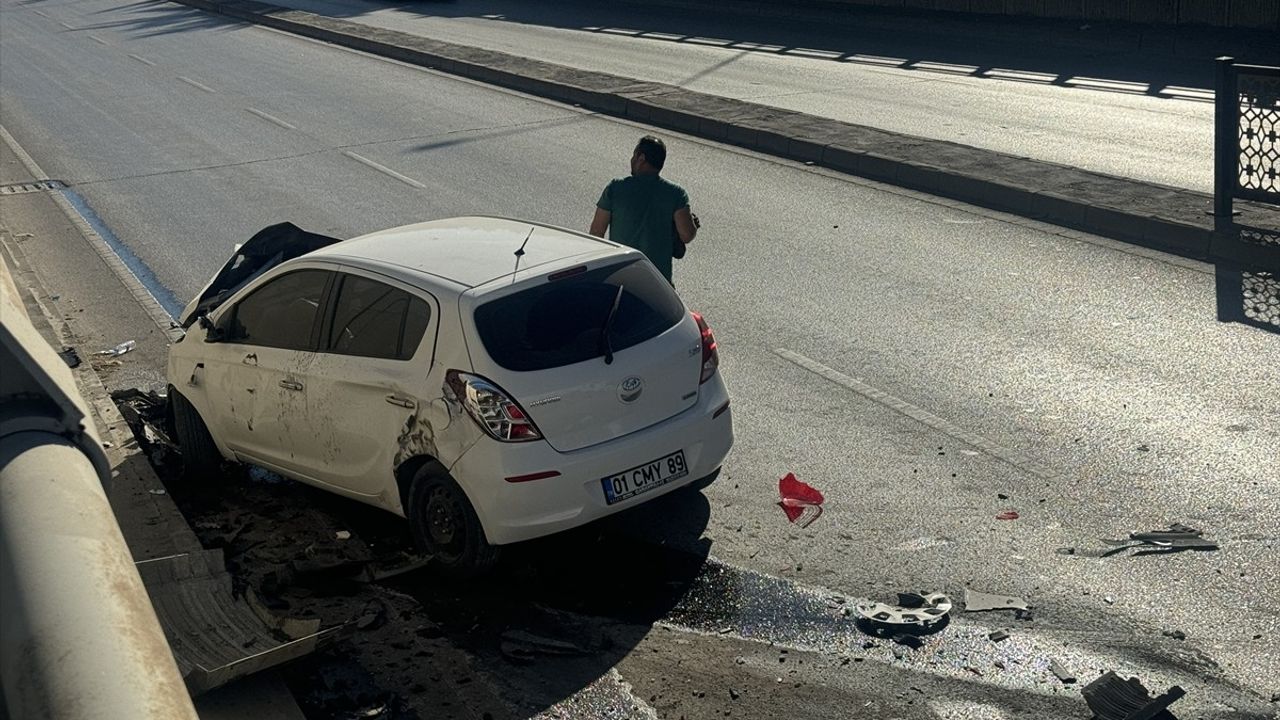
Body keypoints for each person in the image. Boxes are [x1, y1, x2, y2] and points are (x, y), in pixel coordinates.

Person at [589, 135, 699, 283]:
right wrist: (693, 223)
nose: (632, 160)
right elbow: (686, 235)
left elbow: (596, 232)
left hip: (621, 278)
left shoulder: (615, 188)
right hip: (658, 283)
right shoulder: (676, 194)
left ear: (641, 158)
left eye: (634, 155)